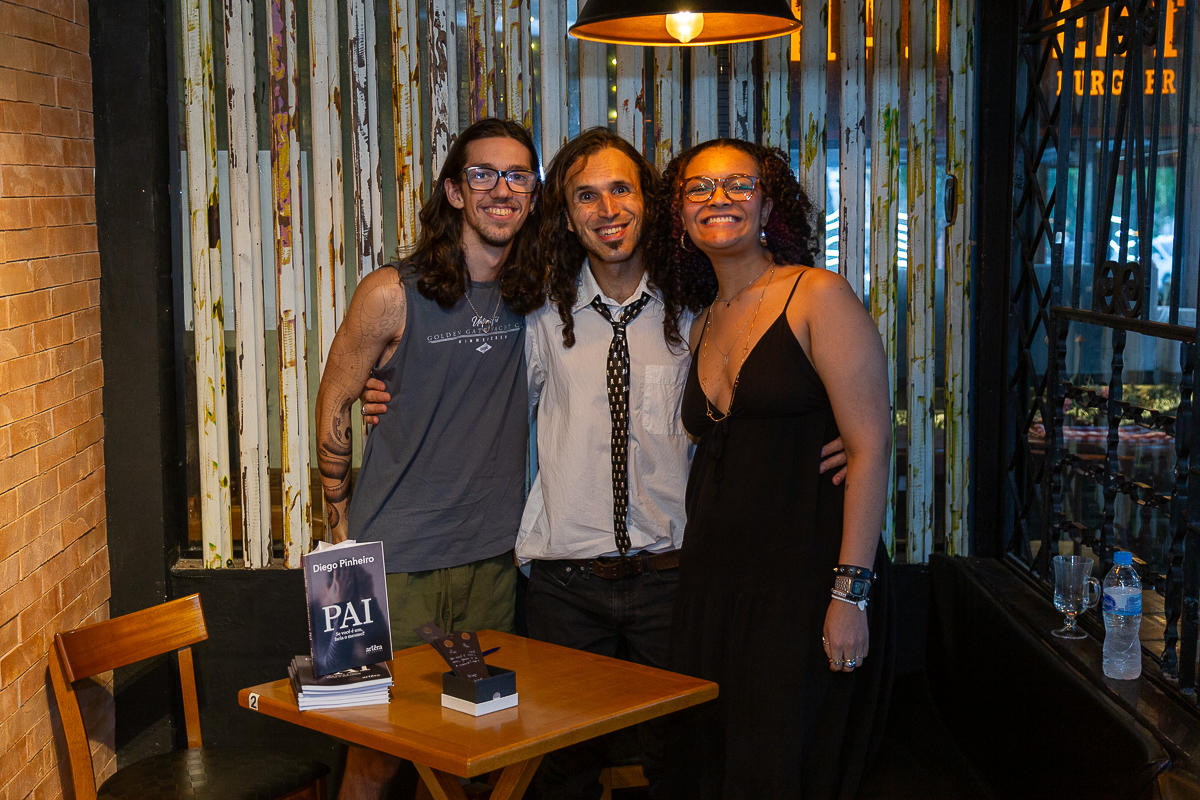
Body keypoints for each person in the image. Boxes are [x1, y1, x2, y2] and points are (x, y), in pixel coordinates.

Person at [650, 139, 894, 800]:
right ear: (679, 213)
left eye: (738, 184)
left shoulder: (817, 296)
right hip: (715, 590)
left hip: (805, 583)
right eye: (699, 187)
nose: (718, 198)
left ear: (768, 203)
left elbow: (871, 447)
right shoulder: (701, 324)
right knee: (713, 769)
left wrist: (850, 594)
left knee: (784, 770)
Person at [314, 117, 544, 800]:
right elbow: (334, 406)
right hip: (387, 562)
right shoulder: (390, 292)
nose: (501, 189)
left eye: (518, 176)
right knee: (372, 748)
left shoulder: (535, 295)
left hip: (491, 560)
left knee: (466, 748)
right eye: (482, 174)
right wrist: (339, 548)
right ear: (452, 190)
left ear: (533, 194)